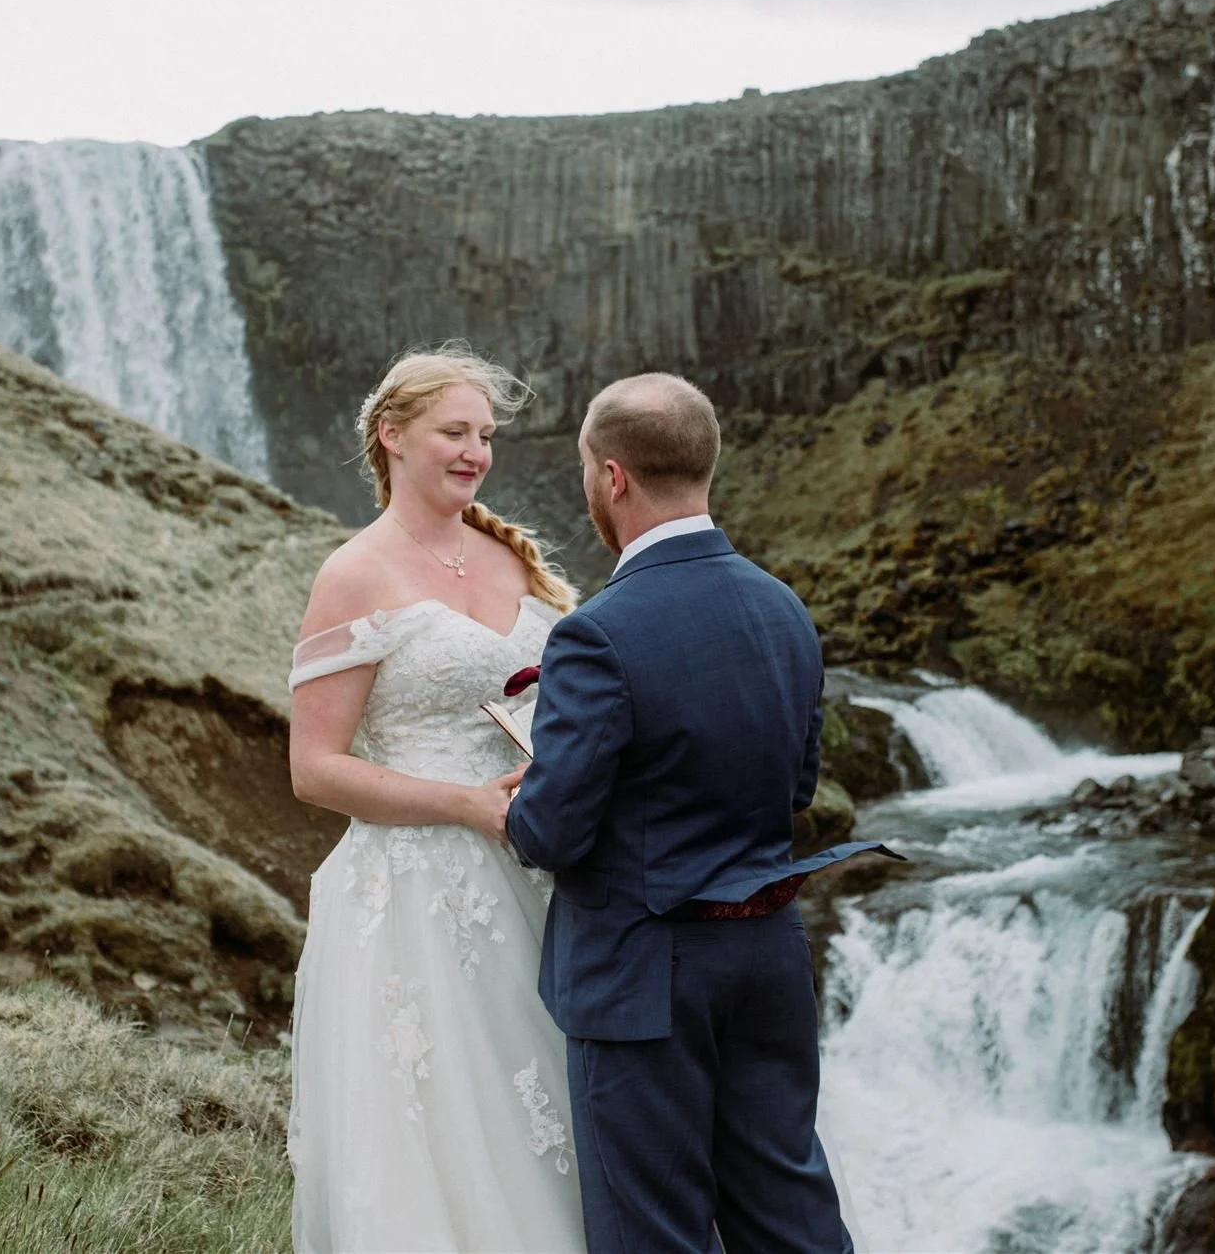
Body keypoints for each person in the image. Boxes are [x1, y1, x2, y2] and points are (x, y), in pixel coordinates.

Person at [505, 373, 902, 1254]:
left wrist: (529, 783)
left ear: (611, 477)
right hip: (767, 960)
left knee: (654, 1232)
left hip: (643, 977)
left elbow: (552, 831)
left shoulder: (597, 632)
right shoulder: (782, 607)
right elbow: (795, 788)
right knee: (790, 1217)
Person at [285, 345, 587, 1252]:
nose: (475, 451)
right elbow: (314, 767)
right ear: (393, 435)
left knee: (550, 1120)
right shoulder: (353, 574)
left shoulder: (507, 554)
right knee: (445, 1143)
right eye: (455, 432)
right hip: (414, 900)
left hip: (539, 874)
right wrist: (464, 804)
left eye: (485, 435)